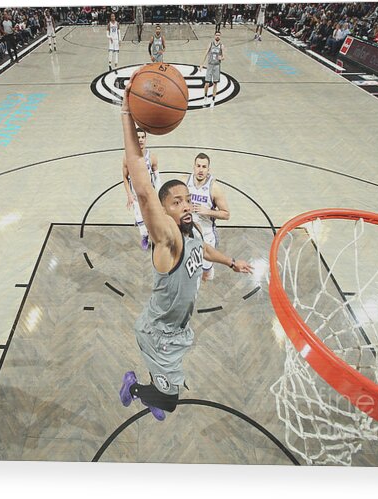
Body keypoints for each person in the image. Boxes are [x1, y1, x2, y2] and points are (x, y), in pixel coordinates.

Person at [118, 79, 253, 421]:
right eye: (177, 202)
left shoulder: (189, 233)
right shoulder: (169, 239)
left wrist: (231, 262)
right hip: (157, 332)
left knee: (166, 390)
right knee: (169, 402)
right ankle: (133, 386)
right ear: (164, 213)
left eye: (188, 198)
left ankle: (155, 386)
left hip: (175, 329)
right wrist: (125, 114)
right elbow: (146, 190)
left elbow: (204, 250)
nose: (186, 205)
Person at [185, 153, 230, 281]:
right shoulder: (184, 182)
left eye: (204, 167)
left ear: (208, 169)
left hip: (207, 235)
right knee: (188, 267)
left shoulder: (214, 188)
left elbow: (226, 214)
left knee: (206, 273)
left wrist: (207, 211)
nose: (200, 170)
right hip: (188, 232)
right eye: (198, 166)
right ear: (193, 167)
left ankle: (207, 274)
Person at [122, 126, 161, 251]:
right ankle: (144, 236)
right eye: (138, 137)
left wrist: (159, 193)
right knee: (141, 223)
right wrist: (129, 194)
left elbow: (157, 177)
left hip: (150, 195)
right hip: (136, 196)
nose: (140, 140)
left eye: (143, 137)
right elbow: (125, 177)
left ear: (146, 139)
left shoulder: (152, 157)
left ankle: (155, 237)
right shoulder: (127, 158)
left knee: (154, 219)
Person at [198, 30, 225, 108]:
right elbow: (206, 53)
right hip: (210, 65)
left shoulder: (221, 46)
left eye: (219, 35)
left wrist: (221, 58)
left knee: (215, 83)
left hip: (217, 66)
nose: (217, 36)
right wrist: (201, 64)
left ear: (220, 37)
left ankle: (213, 100)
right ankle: (205, 97)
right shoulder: (210, 44)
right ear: (214, 36)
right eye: (216, 35)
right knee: (206, 84)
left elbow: (224, 57)